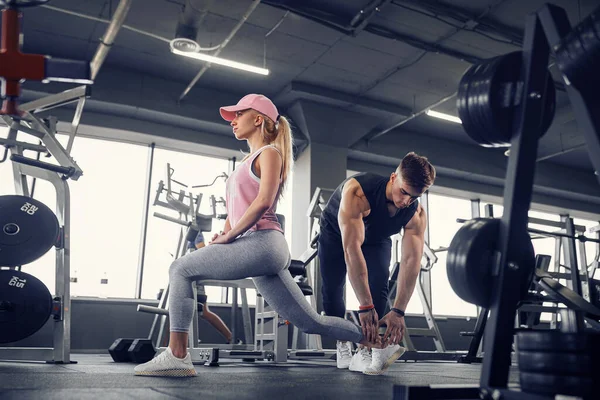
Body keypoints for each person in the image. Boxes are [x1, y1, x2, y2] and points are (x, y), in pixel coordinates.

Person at [134, 94, 386, 377]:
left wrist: (231, 237)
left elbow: (264, 201)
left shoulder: (270, 153)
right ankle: (374, 339)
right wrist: (225, 233)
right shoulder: (245, 161)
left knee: (179, 269)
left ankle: (177, 356)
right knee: (309, 321)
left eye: (238, 114)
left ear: (257, 119)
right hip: (261, 248)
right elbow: (236, 209)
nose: (233, 122)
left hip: (263, 243)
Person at [318, 152, 436, 375]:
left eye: (413, 197)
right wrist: (364, 306)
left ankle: (365, 349)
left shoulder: (415, 213)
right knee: (333, 289)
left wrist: (399, 311)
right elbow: (351, 249)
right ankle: (342, 344)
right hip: (335, 233)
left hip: (377, 238)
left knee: (379, 285)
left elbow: (411, 260)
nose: (405, 202)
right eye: (403, 192)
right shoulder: (358, 193)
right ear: (394, 178)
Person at [187, 231, 235, 344]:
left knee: (202, 312)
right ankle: (231, 338)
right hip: (188, 276)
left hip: (193, 276)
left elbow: (202, 249)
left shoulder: (195, 231)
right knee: (199, 312)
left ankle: (231, 338)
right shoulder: (185, 232)